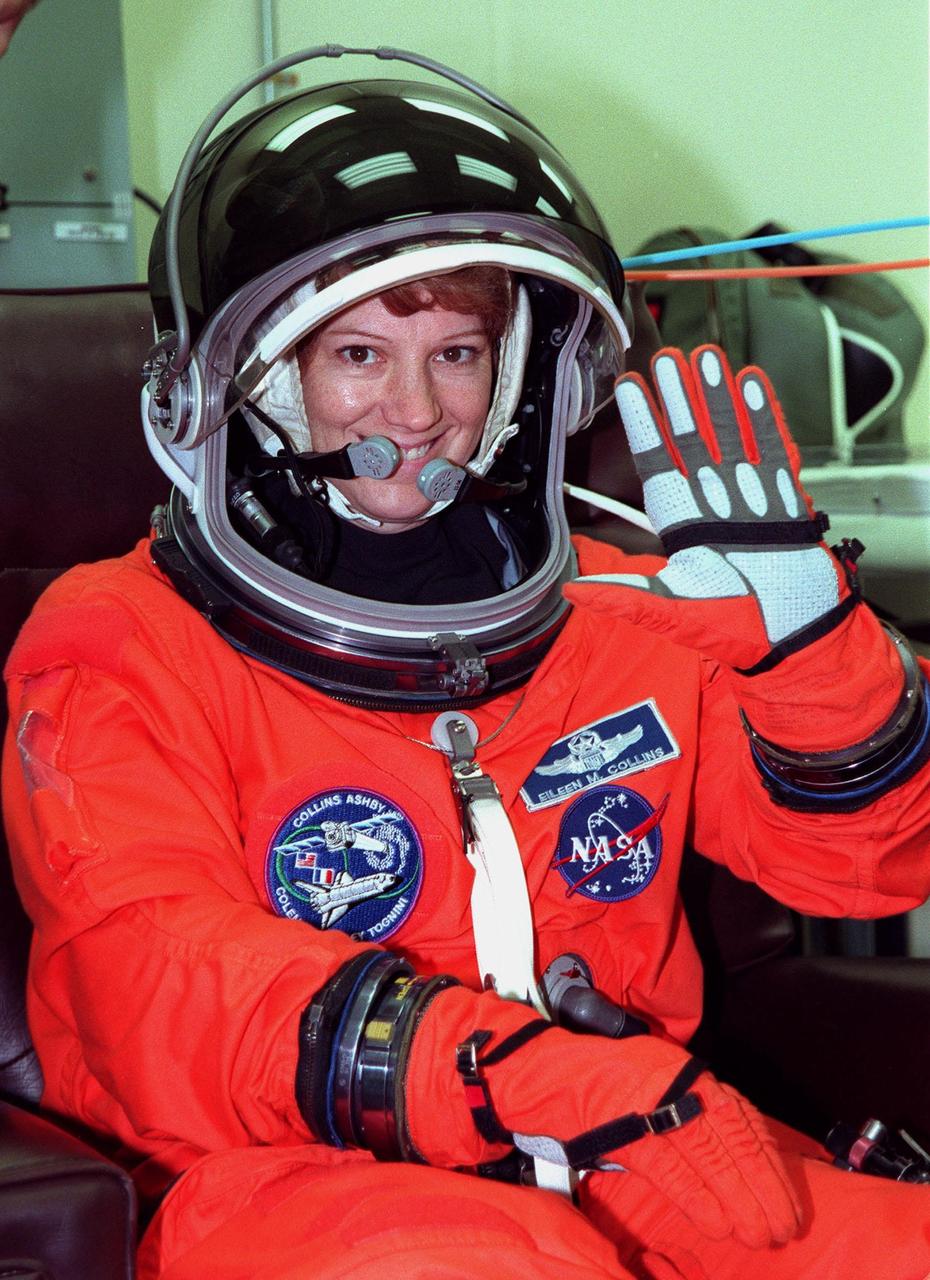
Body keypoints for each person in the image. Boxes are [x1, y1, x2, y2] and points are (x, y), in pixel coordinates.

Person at [4, 55, 930, 1280]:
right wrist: (509, 1073)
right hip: (294, 1190)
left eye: (457, 353)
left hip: (633, 1147)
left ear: (517, 377)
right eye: (358, 354)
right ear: (255, 382)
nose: (418, 409)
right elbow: (156, 973)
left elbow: (860, 868)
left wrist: (811, 652)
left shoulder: (620, 615)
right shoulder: (123, 639)